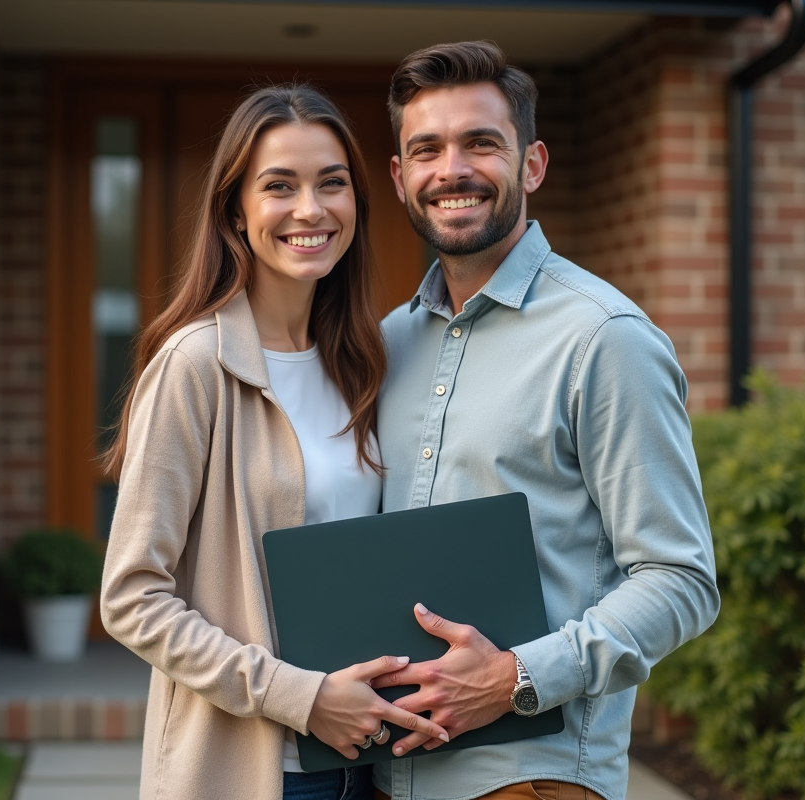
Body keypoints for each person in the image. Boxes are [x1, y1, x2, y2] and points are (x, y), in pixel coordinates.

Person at [368, 42, 721, 800]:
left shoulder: (605, 338)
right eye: (426, 149)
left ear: (531, 165)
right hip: (388, 773)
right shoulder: (387, 345)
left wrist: (514, 678)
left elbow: (680, 579)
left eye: (481, 143)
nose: (451, 170)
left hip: (533, 781)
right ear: (400, 177)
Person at [98, 84, 450, 800]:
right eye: (278, 186)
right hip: (257, 771)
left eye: (332, 183)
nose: (310, 210)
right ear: (236, 209)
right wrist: (301, 698)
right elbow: (132, 597)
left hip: (371, 760)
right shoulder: (196, 365)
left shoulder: (363, 362)